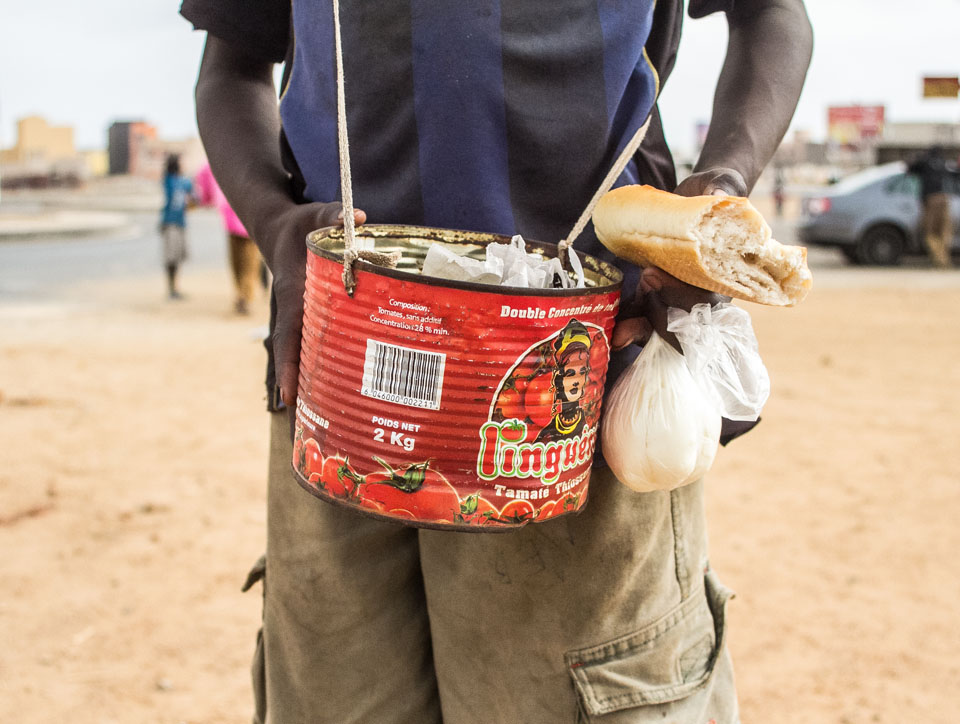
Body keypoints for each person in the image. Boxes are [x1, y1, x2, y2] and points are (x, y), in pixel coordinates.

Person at [182, 1, 812, 721]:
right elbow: (231, 67)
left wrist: (723, 184)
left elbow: (773, 15)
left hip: (574, 385)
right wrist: (273, 220)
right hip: (339, 378)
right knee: (333, 700)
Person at [194, 161, 264, 314]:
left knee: (236, 260)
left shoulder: (215, 161)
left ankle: (240, 293)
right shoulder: (248, 158)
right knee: (249, 262)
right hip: (249, 217)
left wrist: (206, 200)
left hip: (230, 217)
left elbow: (203, 179)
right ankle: (245, 296)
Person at [908, 146, 955, 268]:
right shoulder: (943, 163)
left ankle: (940, 260)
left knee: (930, 232)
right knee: (944, 232)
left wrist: (916, 158)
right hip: (944, 199)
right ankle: (944, 259)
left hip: (931, 200)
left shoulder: (924, 162)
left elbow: (910, 170)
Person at [159, 154, 193, 300]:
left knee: (178, 256)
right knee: (171, 257)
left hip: (180, 223)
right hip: (170, 222)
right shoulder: (169, 181)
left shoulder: (184, 182)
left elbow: (193, 194)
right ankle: (171, 288)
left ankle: (175, 288)